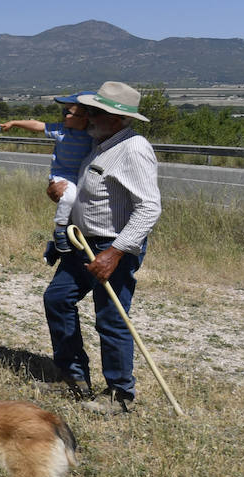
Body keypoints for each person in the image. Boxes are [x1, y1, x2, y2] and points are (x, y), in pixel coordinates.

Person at [41, 81, 161, 414]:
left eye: (96, 111)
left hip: (112, 246)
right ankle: (73, 377)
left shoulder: (133, 148)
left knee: (111, 318)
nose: (87, 115)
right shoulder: (99, 143)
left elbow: (149, 207)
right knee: (57, 298)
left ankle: (120, 395)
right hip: (84, 242)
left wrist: (117, 251)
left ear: (116, 118)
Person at [1, 95, 94, 255]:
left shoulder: (93, 135)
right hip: (62, 175)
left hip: (81, 177)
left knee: (79, 209)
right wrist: (14, 122)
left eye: (69, 113)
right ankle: (59, 231)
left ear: (86, 116)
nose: (64, 115)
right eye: (64, 111)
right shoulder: (61, 130)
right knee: (68, 198)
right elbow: (37, 125)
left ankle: (55, 250)